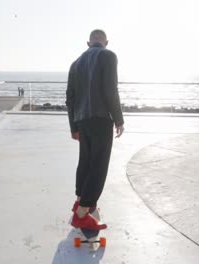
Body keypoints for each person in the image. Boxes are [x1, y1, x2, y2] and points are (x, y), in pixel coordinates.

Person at [65, 29, 124, 230]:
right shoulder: (109, 55)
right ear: (106, 42)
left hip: (82, 121)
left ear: (88, 43)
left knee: (85, 162)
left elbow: (70, 99)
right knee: (98, 166)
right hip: (100, 119)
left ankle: (80, 201)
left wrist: (74, 127)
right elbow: (110, 90)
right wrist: (118, 119)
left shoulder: (75, 63)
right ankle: (82, 213)